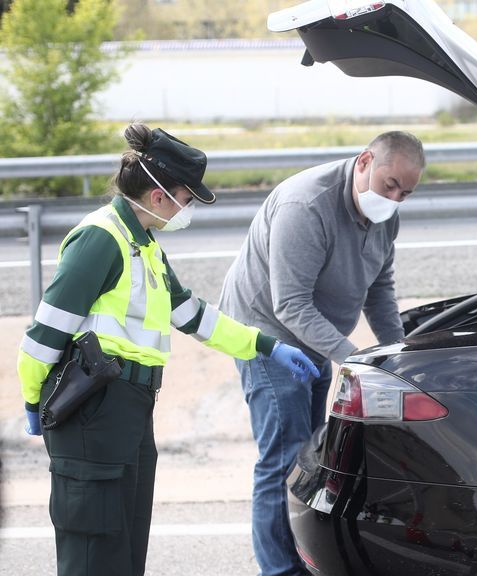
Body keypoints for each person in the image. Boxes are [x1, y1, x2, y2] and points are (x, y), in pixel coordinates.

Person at [16, 123, 319, 576]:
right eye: (187, 198)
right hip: (93, 409)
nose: (188, 208)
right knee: (94, 548)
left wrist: (266, 346)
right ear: (160, 196)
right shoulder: (102, 238)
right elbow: (43, 335)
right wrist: (32, 401)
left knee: (125, 544)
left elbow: (192, 315)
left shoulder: (144, 244)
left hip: (131, 408)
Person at [219, 130, 425, 576]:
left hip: (317, 333)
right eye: (390, 185)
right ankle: (279, 570)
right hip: (267, 336)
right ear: (365, 160)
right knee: (284, 457)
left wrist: (397, 353)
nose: (395, 198)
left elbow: (380, 289)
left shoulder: (387, 214)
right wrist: (355, 358)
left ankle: (303, 558)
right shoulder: (306, 206)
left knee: (311, 458)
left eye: (406, 193)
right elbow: (289, 303)